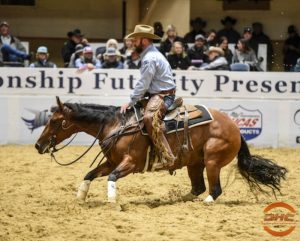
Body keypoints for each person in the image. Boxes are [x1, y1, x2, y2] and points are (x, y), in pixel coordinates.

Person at [120, 24, 177, 167]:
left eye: (135, 39)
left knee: (148, 118)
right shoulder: (152, 55)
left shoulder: (149, 58)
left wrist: (131, 100)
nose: (133, 42)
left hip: (163, 96)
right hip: (159, 93)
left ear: (144, 40)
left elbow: (144, 83)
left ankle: (167, 156)